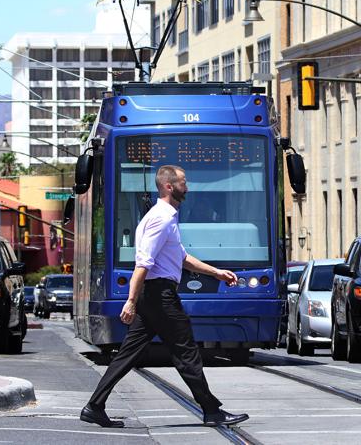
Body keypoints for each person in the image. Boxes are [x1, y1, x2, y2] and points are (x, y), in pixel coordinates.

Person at [80, 165, 249, 428]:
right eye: (183, 182)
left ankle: (94, 406)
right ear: (169, 186)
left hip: (155, 295)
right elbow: (143, 263)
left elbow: (181, 257)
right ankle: (212, 410)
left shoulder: (163, 216)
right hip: (160, 296)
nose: (188, 186)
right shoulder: (161, 218)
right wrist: (130, 301)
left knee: (128, 354)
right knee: (186, 351)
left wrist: (216, 272)